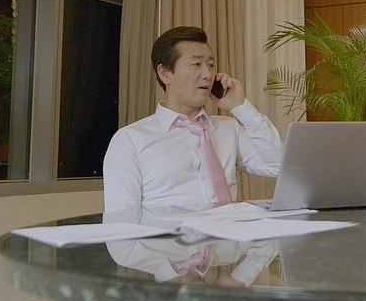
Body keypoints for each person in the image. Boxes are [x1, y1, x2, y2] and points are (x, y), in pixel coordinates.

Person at [103, 26, 282, 222]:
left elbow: (278, 166)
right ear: (165, 73)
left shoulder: (228, 128)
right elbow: (121, 222)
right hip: (170, 241)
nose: (207, 74)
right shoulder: (130, 140)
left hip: (231, 238)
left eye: (211, 65)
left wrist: (240, 106)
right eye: (196, 64)